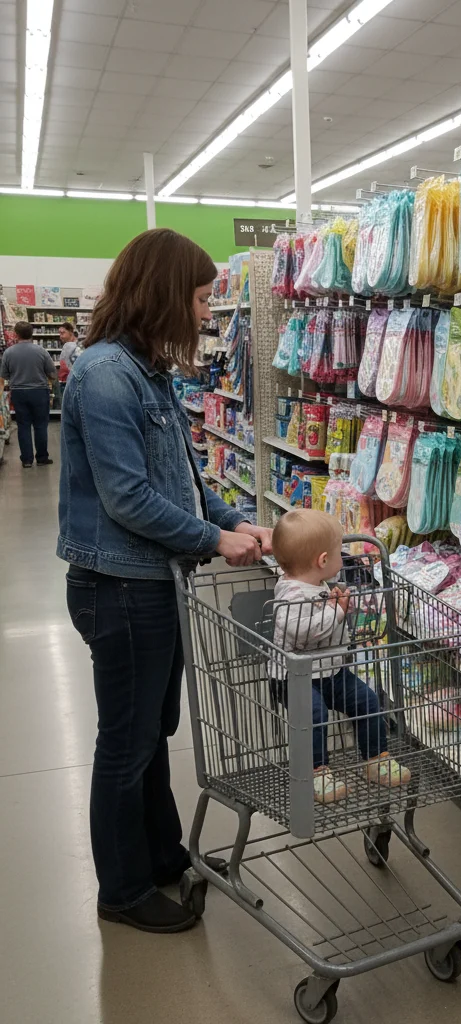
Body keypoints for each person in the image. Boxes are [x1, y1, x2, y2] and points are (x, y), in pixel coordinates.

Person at [58, 228, 273, 934]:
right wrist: (216, 542)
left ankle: (160, 854)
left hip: (151, 581)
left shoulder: (148, 373)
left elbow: (181, 484)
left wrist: (243, 523)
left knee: (152, 730)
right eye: (203, 297)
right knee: (126, 741)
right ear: (164, 294)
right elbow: (128, 499)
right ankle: (121, 890)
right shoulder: (105, 375)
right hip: (119, 587)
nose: (209, 313)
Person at [271, 509, 410, 803]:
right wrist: (336, 611)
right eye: (338, 553)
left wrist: (333, 606)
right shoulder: (290, 594)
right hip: (294, 678)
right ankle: (315, 772)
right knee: (314, 715)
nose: (340, 558)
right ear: (322, 561)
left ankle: (376, 759)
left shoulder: (315, 583)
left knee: (367, 700)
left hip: (329, 671)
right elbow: (301, 631)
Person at [0, 320, 57, 467]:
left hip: (19, 392)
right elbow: (52, 373)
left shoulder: (8, 352)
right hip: (39, 392)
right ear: (31, 334)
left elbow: (4, 375)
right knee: (40, 425)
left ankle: (26, 460)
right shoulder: (41, 351)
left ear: (16, 334)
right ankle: (42, 457)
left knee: (23, 426)